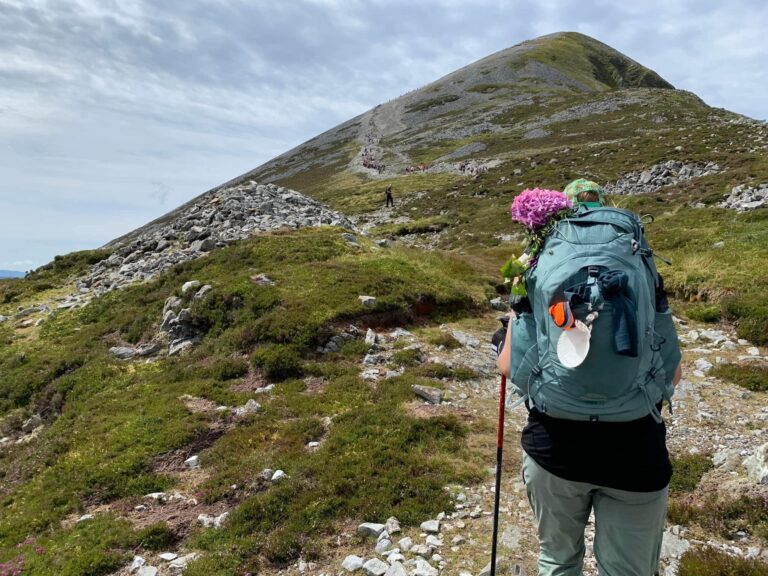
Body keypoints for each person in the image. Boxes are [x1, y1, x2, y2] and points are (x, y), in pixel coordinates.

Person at [496, 179, 682, 576]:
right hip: (636, 451)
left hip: (554, 448)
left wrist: (514, 317)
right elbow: (671, 372)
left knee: (558, 561)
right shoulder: (637, 259)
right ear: (605, 206)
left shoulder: (540, 260)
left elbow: (511, 368)